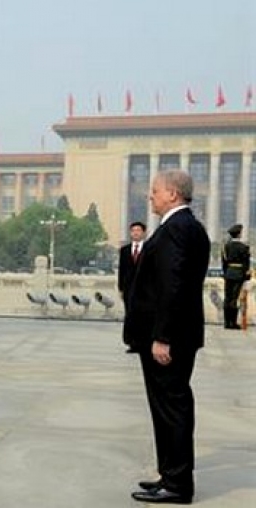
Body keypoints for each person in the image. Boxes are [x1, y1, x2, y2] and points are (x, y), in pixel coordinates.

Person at [124, 170, 210, 504]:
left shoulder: (176, 229)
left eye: (155, 190)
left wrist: (162, 337)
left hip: (169, 338)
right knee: (167, 407)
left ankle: (177, 484)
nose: (151, 196)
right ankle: (170, 474)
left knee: (172, 407)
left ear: (172, 194)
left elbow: (173, 287)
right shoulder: (188, 227)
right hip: (177, 333)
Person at [118, 221, 146, 353]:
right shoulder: (124, 250)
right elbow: (122, 270)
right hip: (129, 289)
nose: (135, 233)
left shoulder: (149, 249)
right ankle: (131, 342)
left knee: (143, 316)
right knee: (130, 315)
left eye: (138, 230)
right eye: (133, 231)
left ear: (143, 233)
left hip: (145, 290)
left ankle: (143, 342)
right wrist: (121, 288)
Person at [221, 223, 250, 329]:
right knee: (234, 298)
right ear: (239, 234)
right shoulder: (244, 247)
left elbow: (224, 262)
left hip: (229, 273)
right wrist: (246, 275)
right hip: (239, 274)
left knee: (227, 298)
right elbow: (246, 263)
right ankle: (233, 322)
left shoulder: (226, 247)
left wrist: (226, 273)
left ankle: (226, 322)